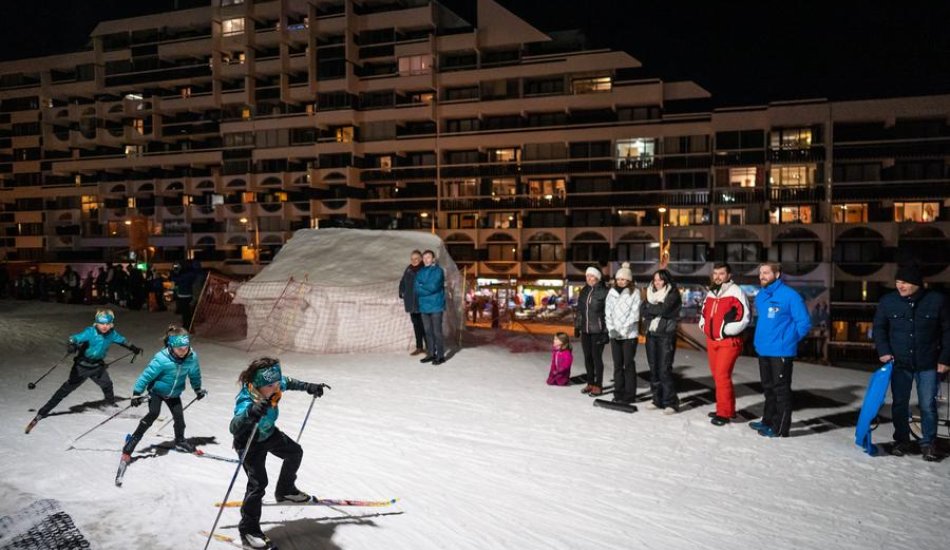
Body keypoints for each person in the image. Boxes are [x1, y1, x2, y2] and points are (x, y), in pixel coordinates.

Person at [230, 357, 328, 549]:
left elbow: (288, 382)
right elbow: (234, 427)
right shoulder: (246, 399)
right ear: (257, 385)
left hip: (268, 433)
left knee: (294, 452)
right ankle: (248, 529)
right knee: (258, 484)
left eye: (277, 383)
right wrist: (250, 412)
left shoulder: (274, 384)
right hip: (249, 443)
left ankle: (285, 490)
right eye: (270, 386)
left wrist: (309, 386)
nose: (276, 388)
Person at [872, 263, 950, 462]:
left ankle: (929, 444)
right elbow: (879, 328)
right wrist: (884, 351)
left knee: (927, 405)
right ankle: (901, 441)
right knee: (899, 404)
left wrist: (945, 359)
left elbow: (948, 332)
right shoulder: (888, 301)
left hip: (929, 363)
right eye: (898, 282)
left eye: (905, 282)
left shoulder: (937, 301)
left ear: (917, 283)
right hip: (900, 363)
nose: (900, 286)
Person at [28, 309, 143, 431]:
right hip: (81, 367)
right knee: (65, 390)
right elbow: (74, 338)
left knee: (107, 384)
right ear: (96, 323)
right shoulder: (90, 332)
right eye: (101, 323)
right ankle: (43, 411)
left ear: (111, 325)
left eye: (107, 324)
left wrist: (133, 348)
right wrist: (72, 345)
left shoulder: (112, 334)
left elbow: (123, 341)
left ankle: (110, 404)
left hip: (97, 366)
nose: (104, 327)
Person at [120, 325, 205, 463]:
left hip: (174, 394)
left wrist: (198, 389)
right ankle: (130, 445)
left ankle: (180, 440)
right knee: (153, 414)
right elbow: (146, 376)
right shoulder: (162, 359)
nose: (183, 351)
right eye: (180, 349)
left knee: (179, 419)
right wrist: (137, 393)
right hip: (157, 392)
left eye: (186, 348)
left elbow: (195, 374)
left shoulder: (191, 357)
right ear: (171, 346)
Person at [750, 263, 812, 437]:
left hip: (781, 351)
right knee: (768, 388)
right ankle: (767, 421)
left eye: (766, 273)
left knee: (780, 390)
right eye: (760, 272)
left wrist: (788, 340)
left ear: (777, 275)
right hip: (763, 349)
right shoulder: (761, 295)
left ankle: (780, 428)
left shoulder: (790, 296)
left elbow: (804, 323)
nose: (762, 276)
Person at [698, 262, 750, 426]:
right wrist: (703, 326)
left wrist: (726, 331)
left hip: (728, 341)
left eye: (722, 274)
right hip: (712, 341)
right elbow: (705, 312)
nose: (718, 277)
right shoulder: (712, 292)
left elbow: (744, 316)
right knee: (717, 376)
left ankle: (725, 413)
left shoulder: (736, 292)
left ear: (728, 275)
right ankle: (725, 408)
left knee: (722, 375)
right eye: (716, 274)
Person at [641, 269, 683, 414]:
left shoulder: (673, 294)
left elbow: (664, 310)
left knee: (664, 369)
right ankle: (657, 399)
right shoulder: (650, 294)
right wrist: (653, 308)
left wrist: (651, 308)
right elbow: (643, 310)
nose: (657, 282)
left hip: (666, 335)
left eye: (660, 279)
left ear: (666, 280)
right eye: (655, 280)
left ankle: (671, 402)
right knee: (653, 369)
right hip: (651, 334)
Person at [604, 262, 641, 403]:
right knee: (617, 365)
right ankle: (618, 392)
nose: (620, 281)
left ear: (629, 280)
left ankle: (629, 394)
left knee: (628, 364)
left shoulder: (635, 292)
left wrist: (623, 330)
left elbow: (634, 314)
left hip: (628, 335)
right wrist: (612, 329)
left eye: (623, 279)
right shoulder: (611, 293)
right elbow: (607, 312)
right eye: (618, 279)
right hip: (615, 335)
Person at [574, 266, 609, 396]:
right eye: (587, 276)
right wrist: (577, 326)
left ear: (598, 277)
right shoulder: (584, 291)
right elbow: (579, 312)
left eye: (592, 276)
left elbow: (608, 314)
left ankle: (598, 385)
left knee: (596, 358)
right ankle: (590, 383)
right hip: (585, 330)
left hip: (598, 330)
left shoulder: (605, 292)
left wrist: (605, 332)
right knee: (587, 357)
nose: (589, 278)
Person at [414, 249, 447, 365]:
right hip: (424, 307)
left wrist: (423, 287)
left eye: (428, 257)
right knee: (427, 331)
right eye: (424, 257)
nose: (426, 259)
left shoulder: (438, 271)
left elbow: (434, 286)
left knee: (437, 331)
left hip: (436, 305)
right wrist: (423, 287)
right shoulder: (420, 272)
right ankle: (431, 353)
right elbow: (416, 288)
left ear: (433, 259)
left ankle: (440, 355)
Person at [398, 250, 427, 356]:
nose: (414, 261)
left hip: (422, 302)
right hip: (411, 302)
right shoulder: (409, 269)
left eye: (416, 259)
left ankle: (429, 347)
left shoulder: (425, 269)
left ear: (420, 259)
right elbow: (403, 281)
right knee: (416, 325)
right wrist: (401, 291)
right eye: (412, 259)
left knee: (425, 325)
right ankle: (419, 347)